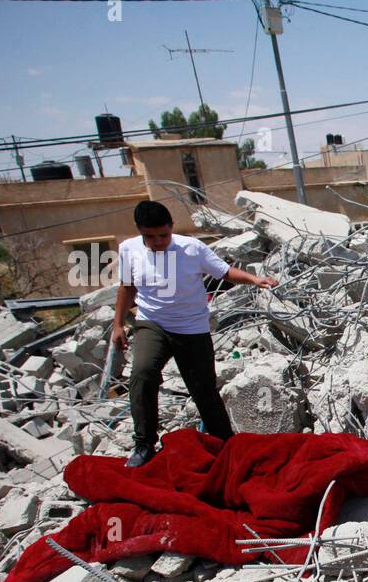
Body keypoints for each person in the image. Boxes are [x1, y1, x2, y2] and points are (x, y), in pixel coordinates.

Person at [112, 200, 278, 468]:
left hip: (191, 327)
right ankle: (143, 444)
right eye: (150, 237)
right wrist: (118, 324)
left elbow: (224, 272)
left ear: (172, 228)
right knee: (142, 373)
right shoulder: (128, 250)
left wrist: (255, 279)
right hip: (152, 322)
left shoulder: (192, 248)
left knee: (203, 388)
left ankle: (225, 443)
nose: (158, 242)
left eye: (163, 235)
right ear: (139, 232)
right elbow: (127, 287)